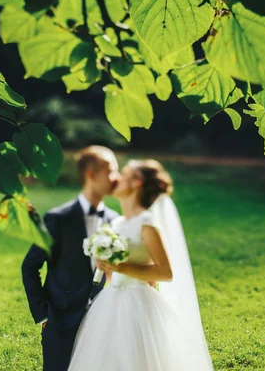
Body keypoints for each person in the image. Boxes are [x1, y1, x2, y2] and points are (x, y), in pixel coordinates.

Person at [68, 159, 213, 371]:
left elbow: (165, 272)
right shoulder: (117, 223)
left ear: (137, 182)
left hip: (138, 302)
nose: (117, 178)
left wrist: (120, 267)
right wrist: (106, 265)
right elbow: (115, 272)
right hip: (111, 299)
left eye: (124, 173)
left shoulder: (147, 223)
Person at [21, 146, 120, 371]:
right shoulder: (58, 218)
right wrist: (43, 315)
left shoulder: (115, 221)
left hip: (102, 319)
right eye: (111, 171)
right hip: (61, 320)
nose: (117, 178)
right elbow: (30, 266)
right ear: (91, 175)